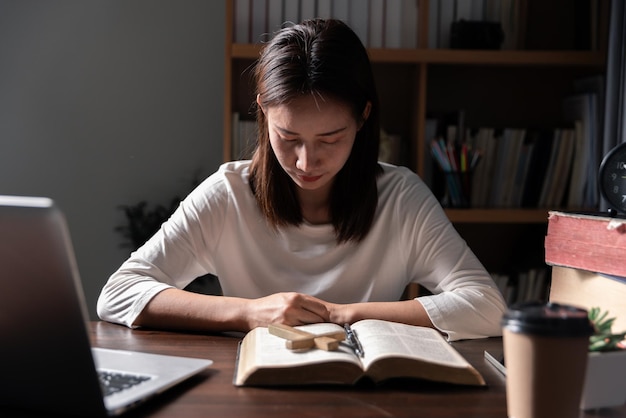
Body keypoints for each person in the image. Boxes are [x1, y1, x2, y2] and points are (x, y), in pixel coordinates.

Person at [97, 19, 506, 341]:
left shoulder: (400, 200)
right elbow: (119, 293)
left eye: (331, 138)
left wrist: (341, 315)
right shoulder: (229, 195)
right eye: (288, 137)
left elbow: (488, 306)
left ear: (363, 117)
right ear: (263, 111)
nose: (306, 161)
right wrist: (248, 313)